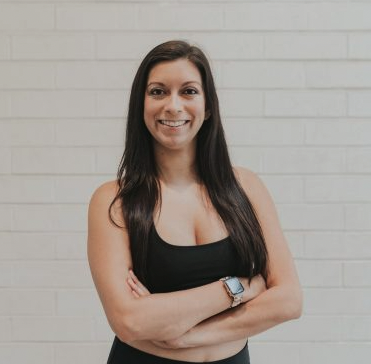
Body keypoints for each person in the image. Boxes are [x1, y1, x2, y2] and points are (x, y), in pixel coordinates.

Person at [87, 40, 302, 364]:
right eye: (158, 92)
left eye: (188, 91)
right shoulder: (115, 201)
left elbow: (288, 300)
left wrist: (184, 335)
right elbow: (129, 321)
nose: (173, 106)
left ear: (209, 105)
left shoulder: (246, 187)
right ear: (140, 105)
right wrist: (239, 288)